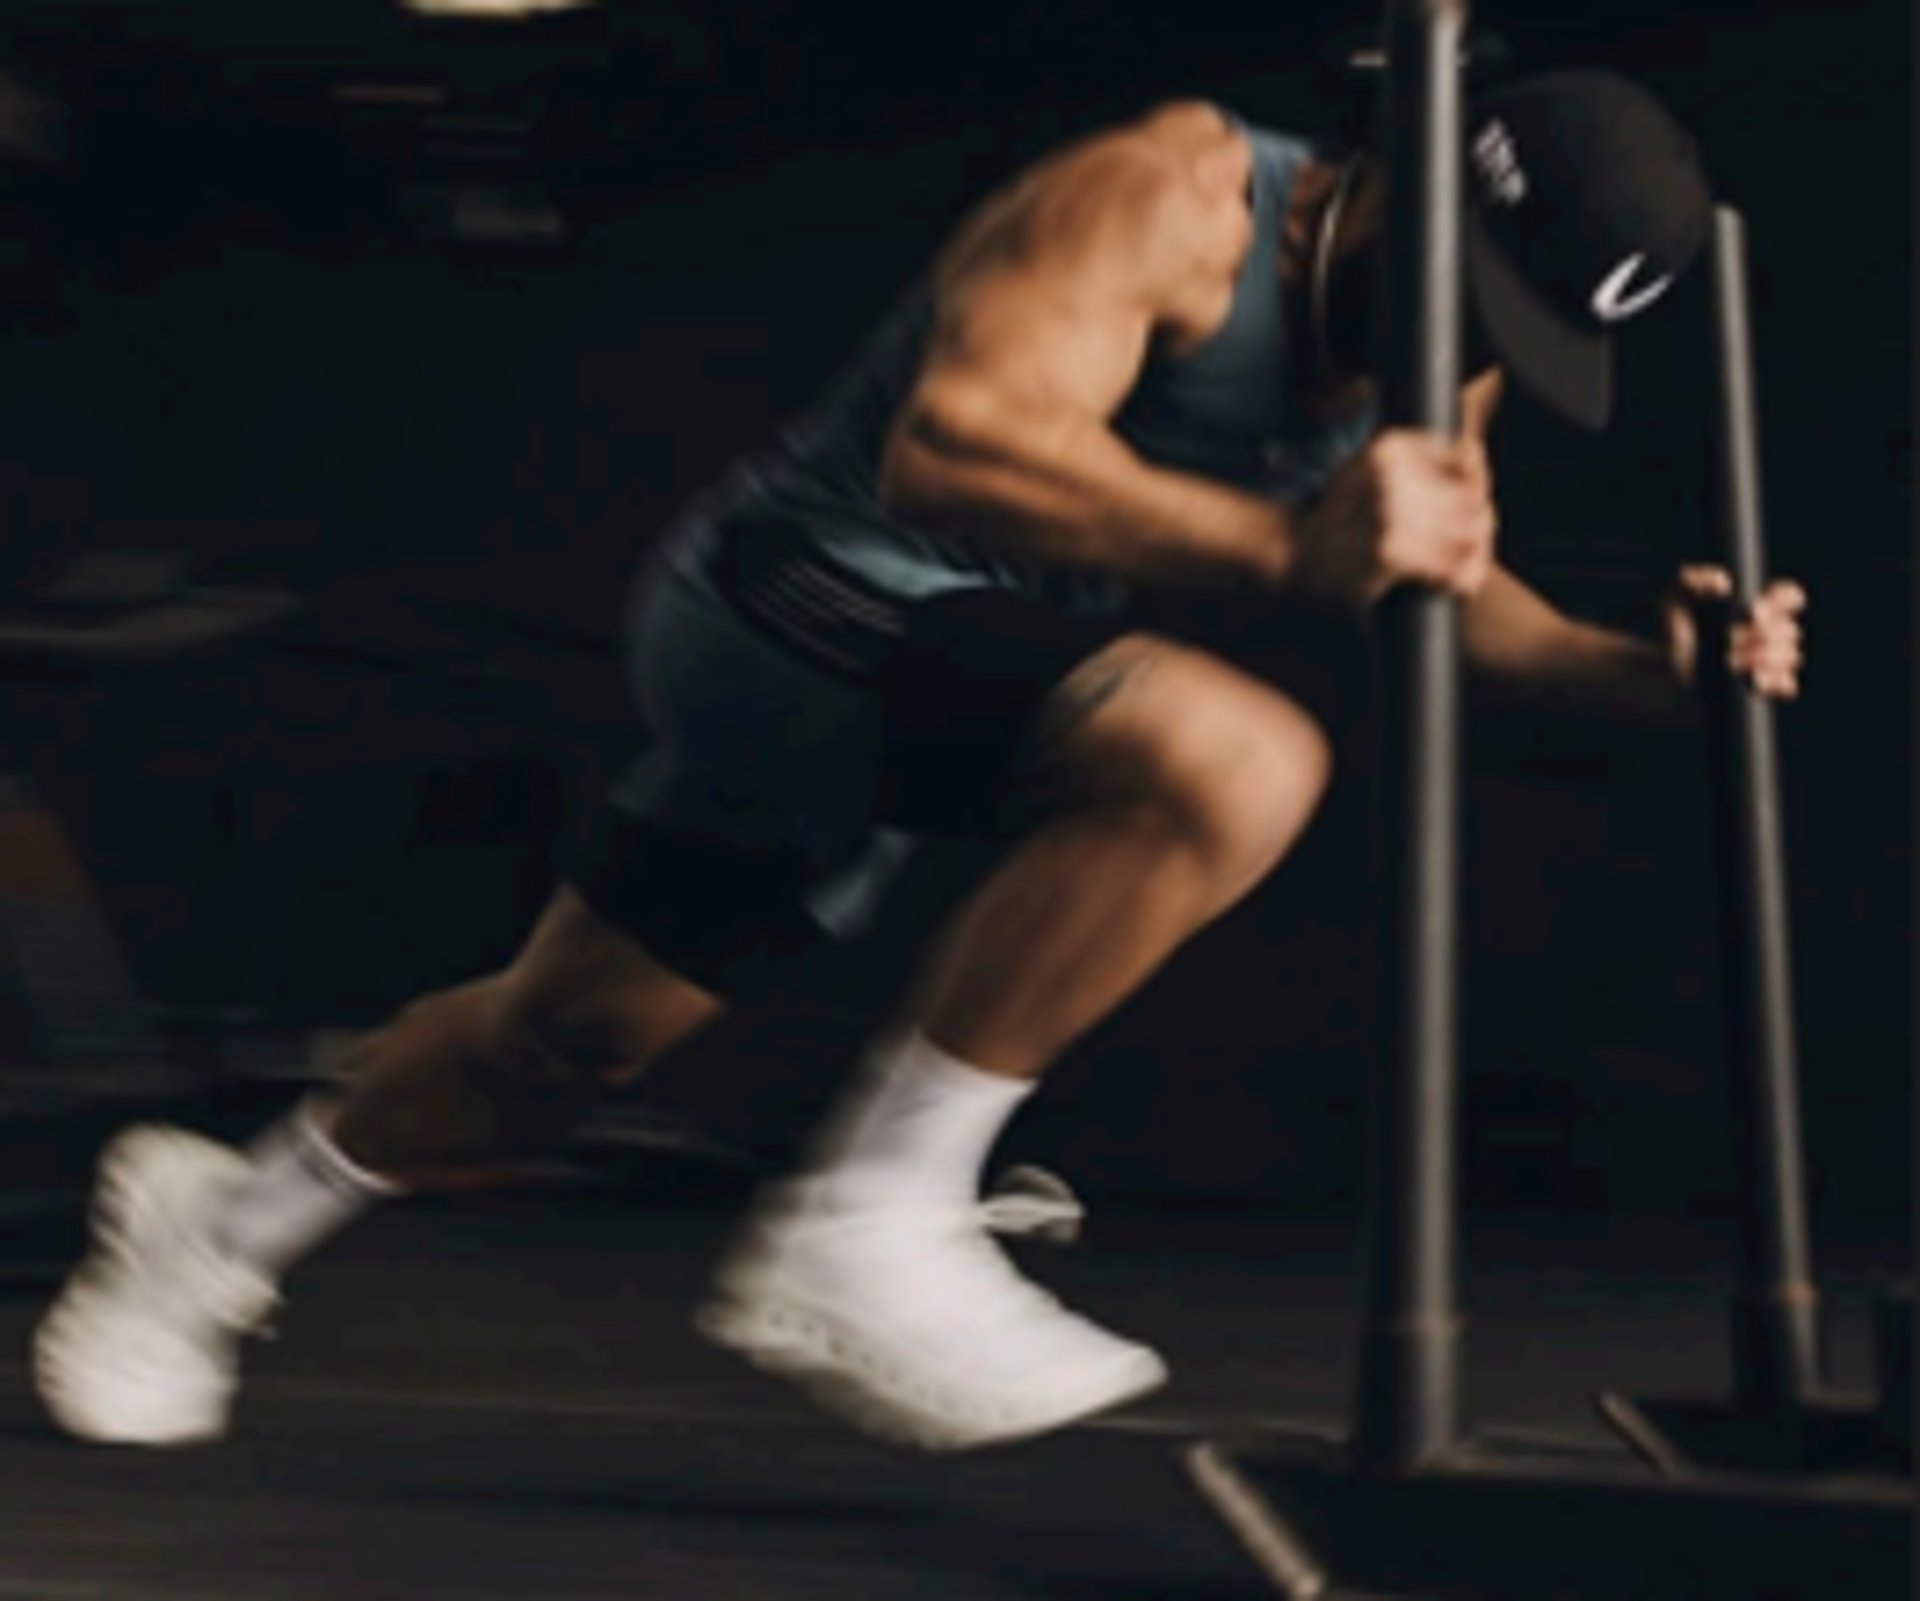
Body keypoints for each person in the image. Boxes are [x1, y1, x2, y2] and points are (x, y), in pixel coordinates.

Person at [34, 69, 1806, 1454]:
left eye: (1516, 329)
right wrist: (1281, 555)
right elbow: (955, 451)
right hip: (791, 596)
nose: (1478, 346)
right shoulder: (1170, 197)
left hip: (934, 688)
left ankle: (215, 1218)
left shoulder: (1439, 348)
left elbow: (1441, 583)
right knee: (1235, 759)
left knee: (565, 1038)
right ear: (1413, 174)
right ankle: (871, 1215)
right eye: (1478, 288)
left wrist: (1637, 672)